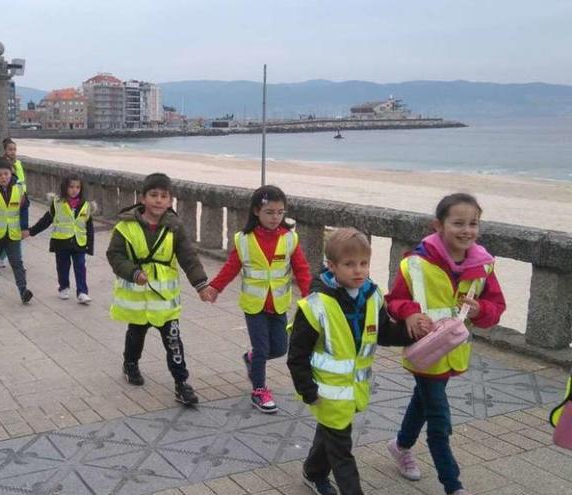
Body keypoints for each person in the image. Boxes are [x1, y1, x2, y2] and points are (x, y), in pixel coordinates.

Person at [385, 193, 506, 495]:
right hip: (424, 352)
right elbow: (395, 301)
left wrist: (481, 311)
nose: (467, 230)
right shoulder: (415, 264)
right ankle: (453, 485)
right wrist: (410, 313)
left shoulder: (484, 266)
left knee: (422, 402)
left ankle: (400, 446)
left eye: (473, 223)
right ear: (438, 225)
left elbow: (496, 307)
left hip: (453, 351)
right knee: (439, 421)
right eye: (458, 223)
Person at [287, 228, 421, 495]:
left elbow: (383, 332)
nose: (358, 271)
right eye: (349, 264)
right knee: (342, 452)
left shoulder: (372, 296)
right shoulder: (315, 305)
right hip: (325, 392)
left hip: (353, 391)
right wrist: (307, 391)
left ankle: (312, 473)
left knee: (332, 434)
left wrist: (411, 333)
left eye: (364, 264)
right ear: (332, 266)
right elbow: (297, 355)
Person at [202, 185, 311, 414]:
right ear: (256, 211)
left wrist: (310, 297)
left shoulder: (290, 239)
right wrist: (214, 288)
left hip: (279, 304)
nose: (275, 217)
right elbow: (231, 267)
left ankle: (251, 359)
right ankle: (259, 390)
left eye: (280, 212)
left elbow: (302, 270)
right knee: (262, 348)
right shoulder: (244, 240)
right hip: (254, 306)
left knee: (280, 348)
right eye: (269, 212)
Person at [106, 173, 210, 406]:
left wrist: (201, 285)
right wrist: (132, 272)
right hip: (138, 297)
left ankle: (181, 383)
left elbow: (188, 257)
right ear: (142, 198)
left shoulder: (175, 227)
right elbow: (114, 255)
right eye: (153, 195)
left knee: (173, 341)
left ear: (170, 201)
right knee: (136, 335)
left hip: (164, 300)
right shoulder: (125, 227)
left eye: (164, 196)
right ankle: (130, 364)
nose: (158, 200)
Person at [29, 173, 94, 304]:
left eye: (77, 187)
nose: (74, 190)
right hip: (61, 242)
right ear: (65, 188)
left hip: (79, 242)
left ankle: (82, 292)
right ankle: (63, 287)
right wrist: (32, 231)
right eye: (71, 187)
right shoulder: (57, 203)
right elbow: (47, 220)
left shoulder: (86, 206)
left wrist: (90, 246)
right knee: (63, 267)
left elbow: (89, 227)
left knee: (80, 266)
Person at [0, 157, 32, 302]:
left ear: (11, 172)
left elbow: (24, 209)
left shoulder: (19, 189)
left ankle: (23, 290)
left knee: (17, 262)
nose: (3, 177)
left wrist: (24, 228)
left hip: (13, 233)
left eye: (6, 174)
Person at [0, 138, 26, 268]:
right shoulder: (3, 165)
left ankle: (16, 260)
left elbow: (22, 180)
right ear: (5, 150)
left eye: (14, 149)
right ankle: (1, 257)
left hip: (22, 198)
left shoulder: (18, 163)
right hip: (9, 200)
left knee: (17, 232)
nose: (13, 152)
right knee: (7, 233)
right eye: (10, 149)